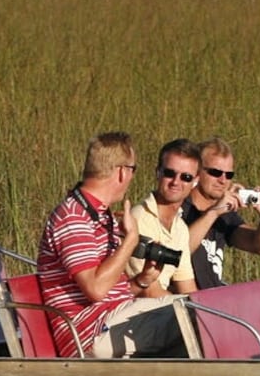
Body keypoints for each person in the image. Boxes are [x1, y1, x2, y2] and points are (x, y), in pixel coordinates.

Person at [35, 132, 188, 358]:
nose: (131, 177)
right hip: (90, 334)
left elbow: (109, 292)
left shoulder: (99, 215)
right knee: (194, 317)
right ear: (121, 171)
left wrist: (141, 281)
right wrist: (131, 240)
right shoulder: (73, 217)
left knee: (198, 308)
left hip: (113, 319)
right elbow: (96, 290)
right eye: (133, 170)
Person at [181, 138, 260, 289]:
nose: (223, 180)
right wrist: (213, 213)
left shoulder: (224, 211)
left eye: (229, 175)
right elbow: (180, 251)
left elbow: (259, 246)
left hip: (215, 298)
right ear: (196, 171)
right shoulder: (180, 206)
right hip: (183, 299)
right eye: (215, 172)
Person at [127, 139, 207, 295]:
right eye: (169, 173)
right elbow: (148, 291)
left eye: (186, 177)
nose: (176, 182)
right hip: (134, 310)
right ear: (158, 172)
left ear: (196, 181)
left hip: (160, 309)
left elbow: (187, 287)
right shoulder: (138, 219)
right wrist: (189, 312)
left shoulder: (180, 228)